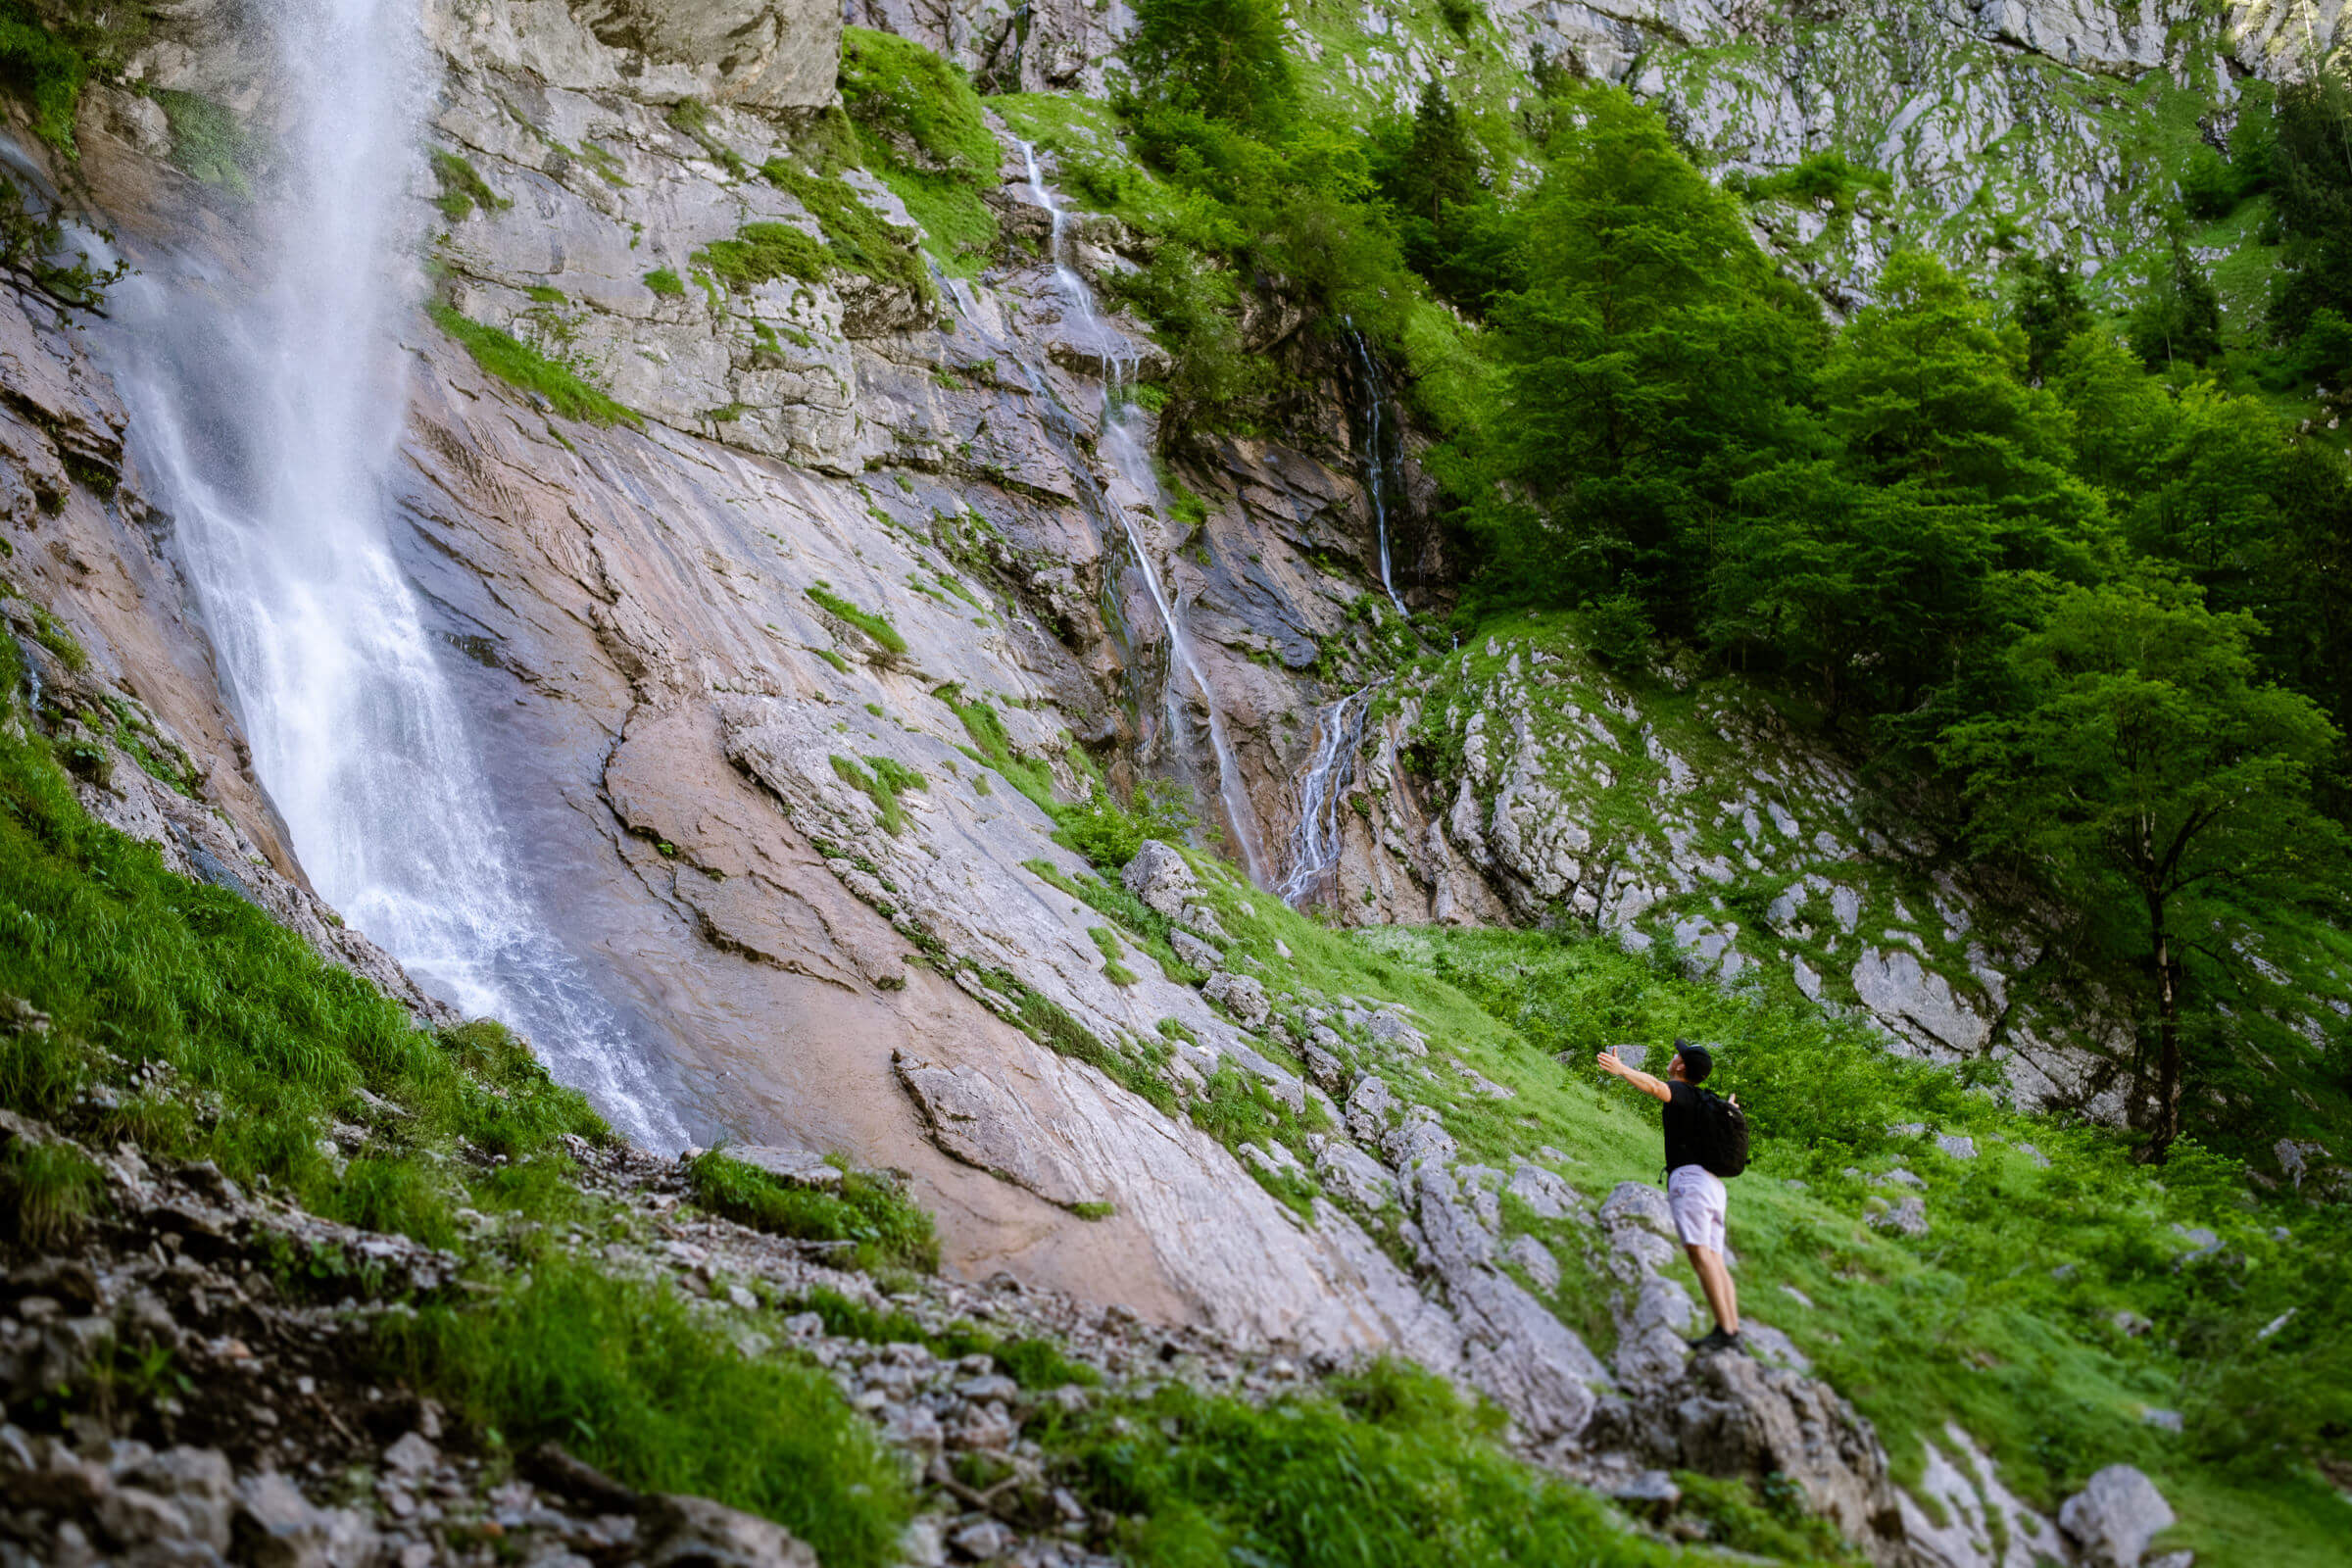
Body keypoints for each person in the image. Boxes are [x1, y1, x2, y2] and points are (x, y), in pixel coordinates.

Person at [1594, 1037, 1743, 1355]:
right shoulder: (1704, 1098)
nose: (1674, 1056)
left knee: (1701, 1256)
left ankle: (1726, 1334)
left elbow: (1656, 1088)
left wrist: (1622, 1070)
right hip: (1714, 1187)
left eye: (1678, 1055)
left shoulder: (1683, 1091)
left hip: (1691, 1181)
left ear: (1681, 1066)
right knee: (1714, 1259)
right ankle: (1731, 1329)